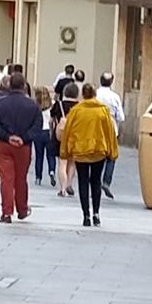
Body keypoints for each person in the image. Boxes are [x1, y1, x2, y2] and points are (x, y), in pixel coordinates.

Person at [60, 83, 119, 227]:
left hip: (80, 151)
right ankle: (96, 213)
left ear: (83, 94)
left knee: (83, 181)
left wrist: (65, 151)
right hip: (98, 150)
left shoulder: (76, 111)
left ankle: (86, 215)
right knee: (96, 181)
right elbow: (110, 132)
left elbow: (68, 132)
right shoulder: (103, 111)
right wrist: (112, 151)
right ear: (94, 94)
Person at [0, 72, 41, 224]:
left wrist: (6, 136)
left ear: (10, 85)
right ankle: (22, 209)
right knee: (21, 178)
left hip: (5, 144)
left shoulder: (0, 103)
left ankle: (6, 212)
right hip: (23, 146)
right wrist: (24, 138)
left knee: (6, 179)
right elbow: (37, 126)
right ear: (24, 86)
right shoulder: (33, 105)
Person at [96, 72, 125, 199]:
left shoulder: (95, 94)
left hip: (96, 129)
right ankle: (106, 181)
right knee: (111, 156)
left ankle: (95, 181)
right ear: (111, 82)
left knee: (96, 157)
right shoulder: (115, 97)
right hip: (111, 130)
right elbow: (121, 117)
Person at [52, 82, 80, 198]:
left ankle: (62, 188)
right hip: (75, 137)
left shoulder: (58, 105)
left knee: (62, 163)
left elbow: (52, 120)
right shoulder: (79, 107)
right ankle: (69, 184)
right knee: (72, 162)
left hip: (61, 137)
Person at [32, 86, 56, 187]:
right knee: (51, 155)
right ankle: (52, 171)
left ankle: (38, 177)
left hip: (38, 132)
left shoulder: (35, 106)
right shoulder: (52, 105)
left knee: (39, 156)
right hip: (49, 132)